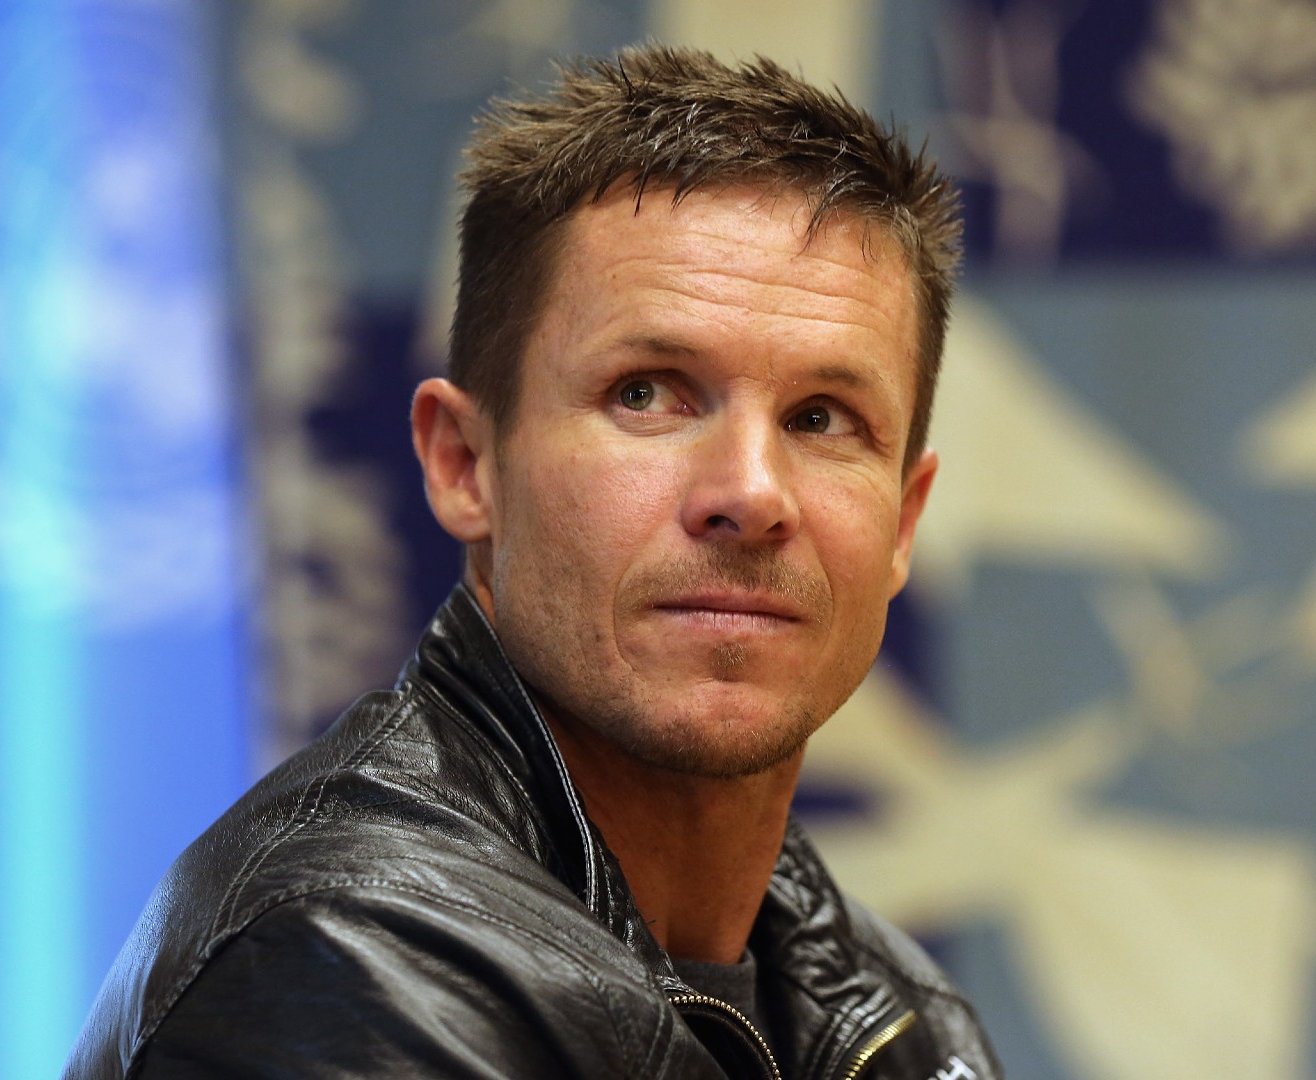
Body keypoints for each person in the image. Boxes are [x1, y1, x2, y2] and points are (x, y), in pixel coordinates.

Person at [66, 44, 999, 1079]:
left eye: (822, 418)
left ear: (904, 523)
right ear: (465, 465)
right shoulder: (347, 961)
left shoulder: (905, 1021)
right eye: (646, 393)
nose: (750, 493)